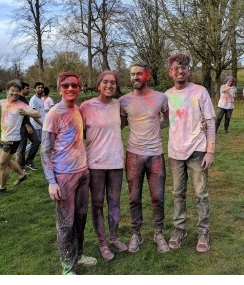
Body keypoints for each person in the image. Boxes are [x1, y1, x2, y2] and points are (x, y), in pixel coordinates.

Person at [40, 71, 97, 275]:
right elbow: (45, 150)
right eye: (66, 85)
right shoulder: (54, 114)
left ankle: (79, 254)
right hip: (63, 176)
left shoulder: (78, 110)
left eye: (74, 85)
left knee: (81, 218)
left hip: (83, 172)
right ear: (59, 88)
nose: (70, 88)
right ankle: (68, 267)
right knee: (66, 223)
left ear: (80, 88)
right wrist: (51, 181)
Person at [165, 52, 216, 253]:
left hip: (197, 150)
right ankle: (179, 230)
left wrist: (210, 151)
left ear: (188, 70)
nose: (180, 70)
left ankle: (204, 231)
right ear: (170, 72)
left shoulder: (199, 92)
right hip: (175, 152)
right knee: (178, 193)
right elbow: (164, 120)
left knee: (201, 194)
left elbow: (210, 122)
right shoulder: (167, 96)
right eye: (176, 68)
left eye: (184, 67)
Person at [119, 61, 170, 254]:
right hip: (134, 155)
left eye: (139, 74)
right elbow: (119, 125)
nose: (134, 77)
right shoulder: (124, 101)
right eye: (132, 74)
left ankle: (158, 233)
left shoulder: (161, 98)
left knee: (158, 197)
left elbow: (168, 119)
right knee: (134, 197)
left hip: (156, 155)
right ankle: (136, 233)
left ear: (147, 75)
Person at [80, 70, 128, 261]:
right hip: (96, 163)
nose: (109, 86)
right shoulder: (86, 106)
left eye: (113, 83)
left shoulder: (119, 105)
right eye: (105, 82)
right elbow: (81, 133)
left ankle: (114, 237)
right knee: (98, 204)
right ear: (98, 85)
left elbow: (122, 124)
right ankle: (102, 243)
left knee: (115, 202)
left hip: (116, 161)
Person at [0, 80, 40, 198]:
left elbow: (37, 114)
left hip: (12, 140)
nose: (15, 93)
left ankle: (2, 188)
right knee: (7, 161)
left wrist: (26, 112)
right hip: (3, 137)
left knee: (2, 164)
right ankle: (22, 175)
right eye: (13, 90)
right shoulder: (4, 102)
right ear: (7, 91)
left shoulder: (21, 105)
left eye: (17, 91)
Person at [17, 82, 41, 174]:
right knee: (22, 147)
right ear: (22, 89)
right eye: (27, 88)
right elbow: (20, 115)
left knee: (37, 141)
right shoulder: (19, 100)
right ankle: (21, 166)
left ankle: (29, 162)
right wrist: (27, 125)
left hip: (28, 123)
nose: (29, 90)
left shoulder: (24, 99)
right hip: (22, 126)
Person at [29, 82, 46, 148]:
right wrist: (41, 124)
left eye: (42, 87)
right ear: (35, 89)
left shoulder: (40, 99)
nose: (40, 89)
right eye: (38, 87)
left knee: (40, 143)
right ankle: (20, 153)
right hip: (36, 126)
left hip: (41, 125)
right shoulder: (33, 100)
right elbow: (33, 115)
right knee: (35, 143)